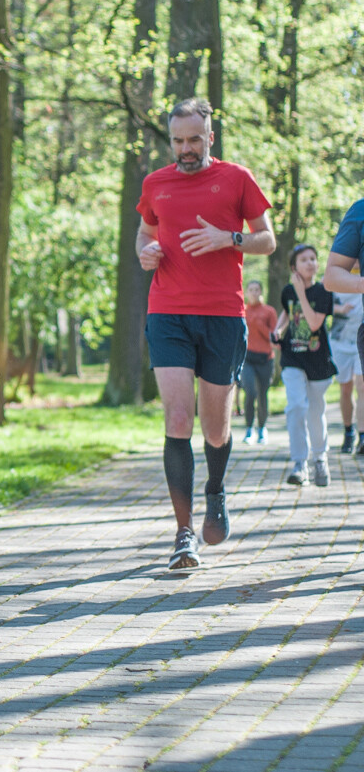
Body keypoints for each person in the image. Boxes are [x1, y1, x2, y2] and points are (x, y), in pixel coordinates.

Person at [136, 98, 275, 571]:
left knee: (215, 427)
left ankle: (215, 489)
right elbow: (144, 233)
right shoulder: (156, 183)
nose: (185, 149)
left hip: (221, 315)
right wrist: (146, 252)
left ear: (210, 137)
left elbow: (267, 237)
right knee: (178, 418)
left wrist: (228, 238)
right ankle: (183, 534)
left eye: (194, 140)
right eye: (178, 141)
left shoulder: (236, 178)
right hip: (168, 312)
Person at [274, 244, 336, 487]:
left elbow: (312, 324)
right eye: (304, 260)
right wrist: (278, 331)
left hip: (318, 361)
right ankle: (300, 463)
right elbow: (287, 313)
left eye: (313, 259)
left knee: (315, 412)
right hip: (292, 358)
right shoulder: (288, 291)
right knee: (296, 407)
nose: (310, 263)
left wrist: (301, 292)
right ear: (294, 267)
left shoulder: (323, 292)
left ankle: (320, 457)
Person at [325, 199, 364, 457]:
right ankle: (353, 432)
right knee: (348, 388)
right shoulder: (360, 211)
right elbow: (331, 276)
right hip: (342, 341)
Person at [241, 280, 277, 445]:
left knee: (263, 394)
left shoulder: (269, 311)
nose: (254, 293)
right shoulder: (242, 311)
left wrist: (260, 325)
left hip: (265, 359)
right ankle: (249, 428)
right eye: (251, 290)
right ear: (247, 292)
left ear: (261, 291)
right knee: (250, 392)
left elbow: (274, 338)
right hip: (247, 358)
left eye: (257, 289)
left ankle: (262, 429)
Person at [328, 286, 363, 454]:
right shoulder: (335, 275)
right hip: (339, 341)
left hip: (360, 340)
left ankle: (362, 436)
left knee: (362, 387)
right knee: (345, 389)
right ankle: (348, 431)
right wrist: (339, 309)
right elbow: (319, 304)